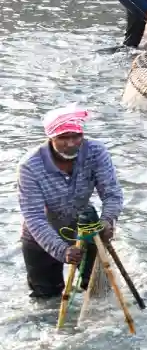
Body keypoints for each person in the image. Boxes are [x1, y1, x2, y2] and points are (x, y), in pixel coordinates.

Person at [17, 107, 124, 300]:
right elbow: (34, 217)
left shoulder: (96, 152)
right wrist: (62, 250)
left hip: (86, 229)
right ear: (51, 138)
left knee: (100, 294)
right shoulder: (29, 166)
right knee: (46, 300)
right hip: (41, 237)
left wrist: (107, 221)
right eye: (64, 138)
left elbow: (112, 193)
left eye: (77, 136)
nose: (72, 143)